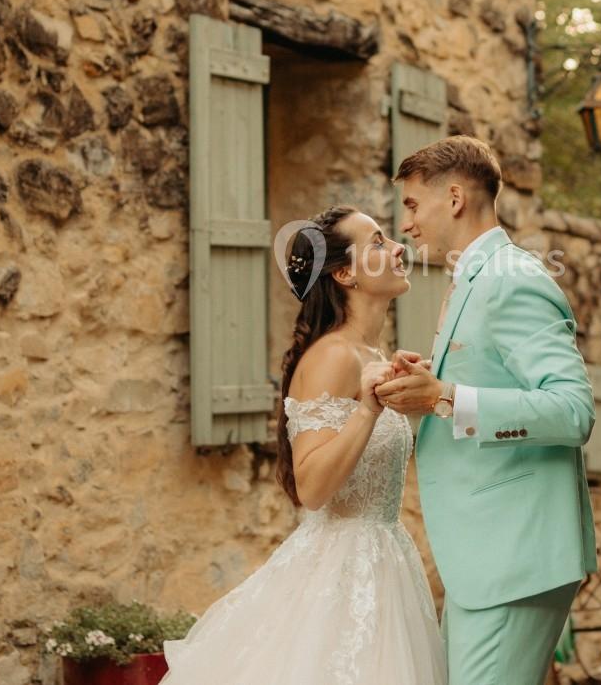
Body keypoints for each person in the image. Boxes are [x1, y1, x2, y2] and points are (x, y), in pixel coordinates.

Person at [157, 205, 447, 685]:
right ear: (344, 273)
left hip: (384, 560)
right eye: (377, 242)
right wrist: (368, 410)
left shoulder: (370, 354)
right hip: (341, 571)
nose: (398, 248)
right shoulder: (332, 355)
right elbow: (311, 487)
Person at [374, 135, 598, 685]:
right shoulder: (474, 278)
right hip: (487, 558)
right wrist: (431, 383)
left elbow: (573, 410)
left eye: (411, 205)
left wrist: (444, 397)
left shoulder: (511, 278)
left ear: (453, 198)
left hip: (512, 557)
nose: (405, 224)